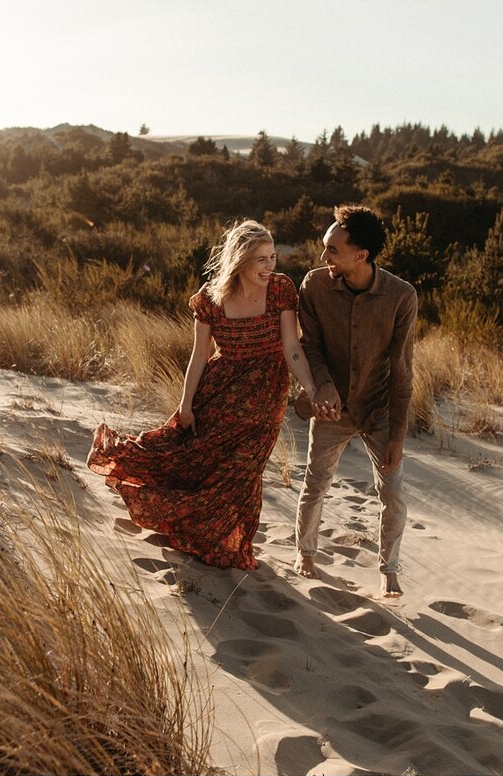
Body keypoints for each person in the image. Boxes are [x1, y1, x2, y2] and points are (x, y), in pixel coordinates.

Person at [90, 220, 320, 571]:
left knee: (242, 474)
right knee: (197, 462)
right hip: (219, 396)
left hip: (265, 402)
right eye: (262, 259)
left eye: (273, 257)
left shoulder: (281, 290)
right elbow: (199, 355)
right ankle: (197, 531)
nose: (271, 266)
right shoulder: (212, 298)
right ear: (241, 260)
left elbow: (292, 347)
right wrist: (186, 405)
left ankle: (232, 545)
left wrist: (311, 388)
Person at [292, 205, 419, 599]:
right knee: (316, 483)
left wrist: (397, 433)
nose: (323, 257)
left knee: (393, 491)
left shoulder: (401, 296)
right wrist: (323, 387)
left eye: (332, 250)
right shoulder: (313, 286)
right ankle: (305, 554)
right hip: (331, 408)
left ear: (360, 255)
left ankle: (389, 569)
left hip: (379, 409)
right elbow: (308, 345)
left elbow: (402, 370)